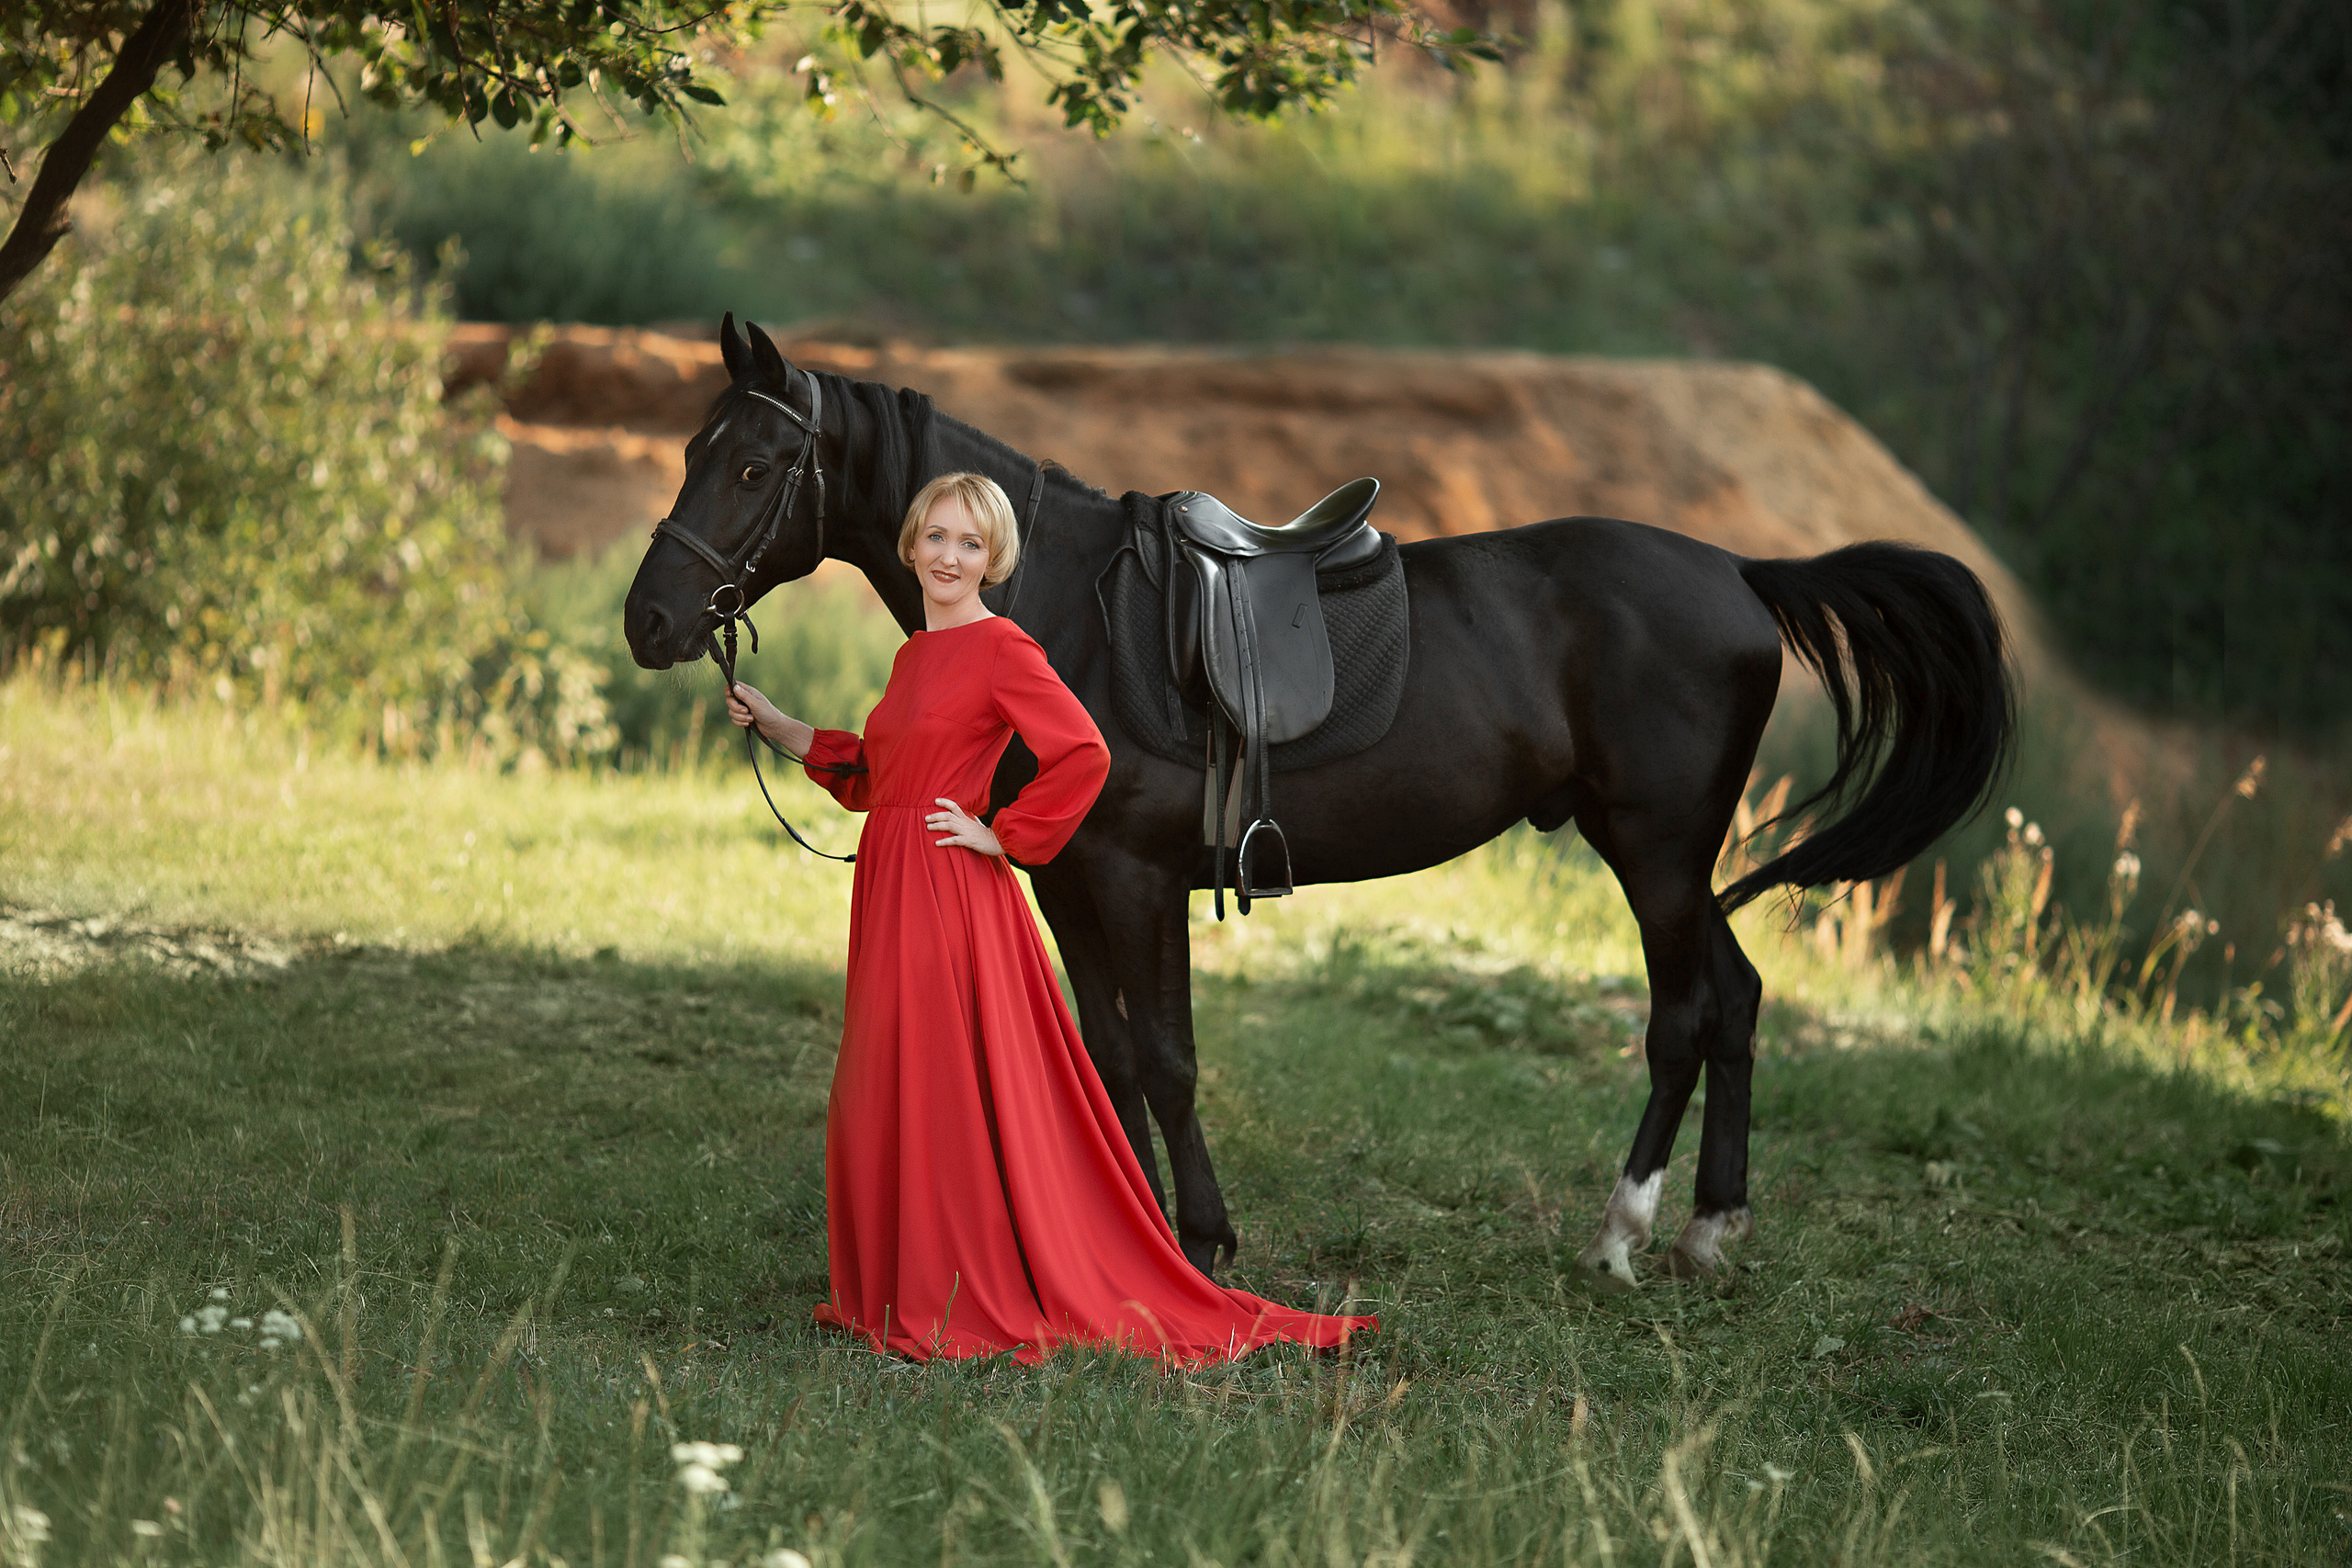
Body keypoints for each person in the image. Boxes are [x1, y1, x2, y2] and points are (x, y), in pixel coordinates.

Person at [725, 471, 1374, 1365]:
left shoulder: (1002, 649)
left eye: (971, 543)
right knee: (885, 1074)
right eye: (938, 537)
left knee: (948, 1085)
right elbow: (879, 770)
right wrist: (776, 723)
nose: (950, 556)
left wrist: (1004, 836)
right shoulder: (915, 655)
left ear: (993, 560)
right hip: (891, 883)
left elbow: (1081, 752)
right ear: (911, 545)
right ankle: (898, 1281)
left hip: (953, 889)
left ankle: (960, 1283)